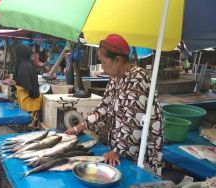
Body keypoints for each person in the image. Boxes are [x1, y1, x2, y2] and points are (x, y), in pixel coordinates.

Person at [65, 34, 163, 175]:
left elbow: (133, 123)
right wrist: (79, 127)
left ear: (117, 60)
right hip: (122, 147)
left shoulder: (138, 79)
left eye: (104, 62)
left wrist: (117, 151)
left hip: (142, 150)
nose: (103, 68)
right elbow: (104, 108)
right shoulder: (115, 78)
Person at [14, 44, 42, 130]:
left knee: (31, 130)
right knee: (26, 127)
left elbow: (25, 85)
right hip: (27, 102)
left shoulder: (24, 66)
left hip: (30, 103)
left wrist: (16, 84)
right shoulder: (25, 64)